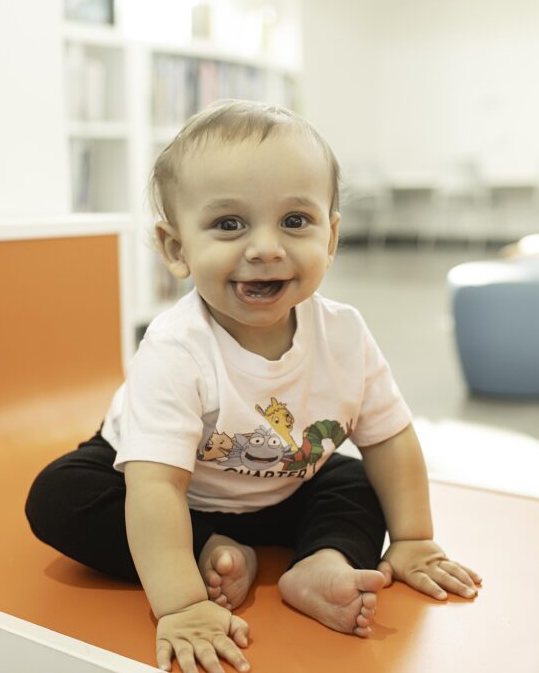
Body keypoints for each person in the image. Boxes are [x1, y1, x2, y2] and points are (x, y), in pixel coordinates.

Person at [25, 100, 482, 673]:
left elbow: (391, 438)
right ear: (176, 249)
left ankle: (322, 564)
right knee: (59, 498)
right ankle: (207, 550)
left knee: (359, 483)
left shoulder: (345, 333)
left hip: (286, 482)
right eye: (229, 224)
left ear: (332, 236)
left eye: (295, 221)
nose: (266, 247)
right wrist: (183, 604)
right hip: (168, 488)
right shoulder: (176, 348)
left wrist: (413, 538)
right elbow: (155, 487)